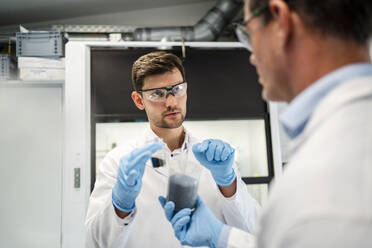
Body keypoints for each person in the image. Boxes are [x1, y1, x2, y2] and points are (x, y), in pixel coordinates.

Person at [160, 0, 372, 247]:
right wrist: (223, 236)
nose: (251, 57)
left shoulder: (326, 178)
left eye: (248, 32)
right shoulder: (347, 137)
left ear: (280, 20)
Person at [85, 51, 261, 247]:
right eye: (157, 94)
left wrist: (228, 184)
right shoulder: (118, 162)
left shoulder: (214, 159)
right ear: (138, 100)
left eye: (177, 89)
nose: (171, 102)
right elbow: (95, 241)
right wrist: (120, 206)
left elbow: (253, 231)